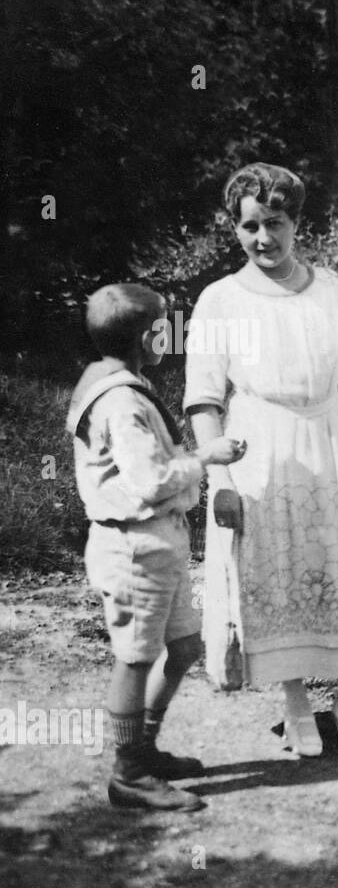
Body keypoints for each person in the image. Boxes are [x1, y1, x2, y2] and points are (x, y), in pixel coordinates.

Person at [185, 162, 338, 756]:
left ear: (296, 221)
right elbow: (203, 403)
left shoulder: (332, 289)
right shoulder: (219, 301)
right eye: (250, 226)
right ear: (234, 228)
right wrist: (221, 481)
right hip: (261, 451)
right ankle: (296, 704)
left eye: (275, 223)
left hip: (331, 440)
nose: (263, 239)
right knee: (277, 574)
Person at [68, 283, 246, 810]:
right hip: (132, 546)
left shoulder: (119, 380)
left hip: (157, 542)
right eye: (165, 327)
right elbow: (150, 481)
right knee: (136, 657)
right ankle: (128, 774)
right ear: (148, 337)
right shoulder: (121, 400)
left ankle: (142, 749)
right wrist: (207, 455)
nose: (172, 335)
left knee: (185, 646)